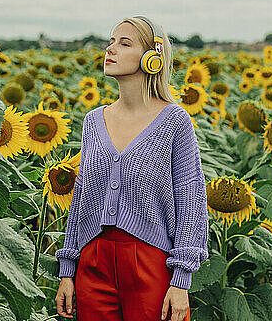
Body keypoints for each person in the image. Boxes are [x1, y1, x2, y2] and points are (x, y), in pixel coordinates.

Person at [55, 16, 209, 321]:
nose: (111, 49)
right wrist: (67, 270)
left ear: (152, 59)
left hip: (150, 263)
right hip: (93, 262)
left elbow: (191, 198)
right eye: (111, 41)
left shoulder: (174, 122)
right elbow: (81, 198)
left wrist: (181, 279)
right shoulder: (93, 122)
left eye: (124, 43)